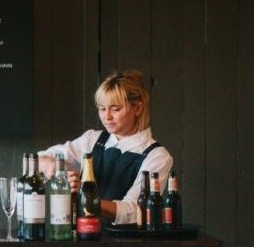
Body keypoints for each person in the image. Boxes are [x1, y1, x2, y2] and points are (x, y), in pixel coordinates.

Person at [39, 70, 173, 225]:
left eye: (115, 109)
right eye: (102, 109)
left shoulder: (157, 156)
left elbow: (134, 210)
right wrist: (51, 165)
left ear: (138, 108)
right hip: (82, 239)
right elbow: (40, 159)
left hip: (126, 245)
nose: (107, 116)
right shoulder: (92, 139)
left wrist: (88, 198)